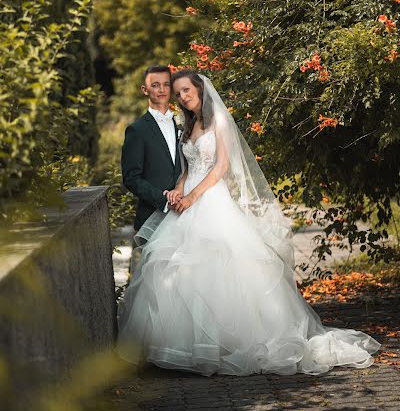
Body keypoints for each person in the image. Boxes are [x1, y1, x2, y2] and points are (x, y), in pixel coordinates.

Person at [116, 70, 380, 376]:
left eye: (186, 90)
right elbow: (189, 168)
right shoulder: (187, 127)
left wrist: (193, 196)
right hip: (187, 199)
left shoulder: (219, 121)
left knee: (222, 265)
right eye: (178, 94)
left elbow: (220, 167)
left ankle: (227, 344)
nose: (182, 97)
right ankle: (186, 349)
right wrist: (179, 189)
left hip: (211, 199)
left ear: (200, 89)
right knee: (174, 267)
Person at [121, 65, 182, 274]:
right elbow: (131, 178)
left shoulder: (184, 124)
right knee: (157, 281)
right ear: (144, 90)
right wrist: (164, 199)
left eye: (166, 84)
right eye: (155, 85)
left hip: (188, 214)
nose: (162, 90)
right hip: (154, 216)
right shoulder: (137, 130)